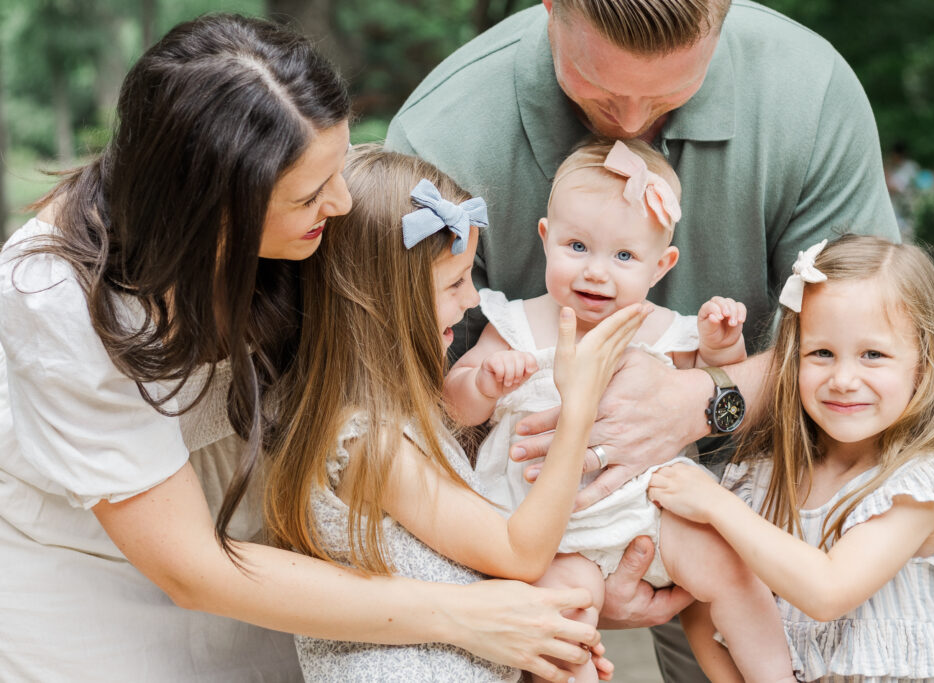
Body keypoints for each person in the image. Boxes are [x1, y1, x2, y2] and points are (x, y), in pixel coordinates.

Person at [0, 15, 601, 682]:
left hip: (273, 555)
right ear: (217, 211)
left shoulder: (306, 222)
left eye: (339, 167)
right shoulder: (56, 300)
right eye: (312, 194)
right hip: (98, 563)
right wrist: (465, 613)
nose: (340, 202)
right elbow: (190, 568)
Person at [385, 1, 900, 676]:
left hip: (742, 506)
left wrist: (704, 395)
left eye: (666, 92)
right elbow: (395, 414)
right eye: (599, 87)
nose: (629, 124)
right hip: (524, 534)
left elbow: (880, 344)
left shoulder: (811, 93)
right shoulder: (437, 139)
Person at [263, 143, 644, 681]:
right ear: (385, 299)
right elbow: (519, 552)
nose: (471, 301)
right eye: (455, 283)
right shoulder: (369, 444)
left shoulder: (393, 414)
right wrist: (577, 411)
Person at [444, 138, 796, 683]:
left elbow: (717, 391)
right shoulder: (516, 324)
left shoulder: (665, 330)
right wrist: (485, 382)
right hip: (546, 529)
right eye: (577, 246)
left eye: (624, 256)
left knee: (731, 569)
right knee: (559, 632)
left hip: (653, 511)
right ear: (545, 238)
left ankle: (776, 677)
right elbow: (456, 407)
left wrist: (721, 347)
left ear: (661, 266)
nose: (596, 272)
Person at [649, 235, 934, 681]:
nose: (843, 379)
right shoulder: (760, 479)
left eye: (873, 354)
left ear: (931, 365)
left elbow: (829, 591)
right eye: (822, 353)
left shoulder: (921, 487)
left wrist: (714, 505)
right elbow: (703, 604)